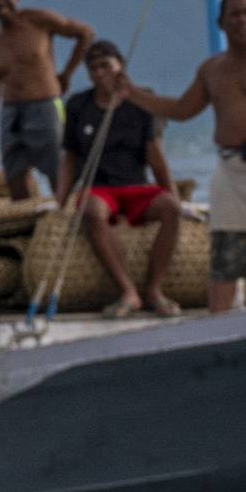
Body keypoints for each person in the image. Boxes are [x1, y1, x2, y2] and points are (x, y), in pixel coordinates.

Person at [124, 0, 246, 311]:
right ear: (221, 23)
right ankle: (218, 333)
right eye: (235, 14)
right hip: (230, 172)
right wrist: (132, 93)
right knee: (224, 263)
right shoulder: (212, 69)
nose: (243, 20)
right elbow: (181, 108)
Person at [53, 41, 186, 317]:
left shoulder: (140, 102)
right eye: (93, 68)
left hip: (136, 186)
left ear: (120, 66)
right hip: (100, 189)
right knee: (91, 211)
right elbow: (70, 158)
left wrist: (173, 195)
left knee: (171, 209)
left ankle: (154, 289)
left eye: (106, 66)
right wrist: (59, 202)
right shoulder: (78, 105)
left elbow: (155, 155)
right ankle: (128, 290)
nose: (100, 73)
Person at [0, 0, 95, 202]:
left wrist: (66, 74)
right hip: (11, 114)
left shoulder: (39, 20)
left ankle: (67, 218)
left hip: (45, 106)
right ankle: (28, 226)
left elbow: (85, 33)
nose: (0, 2)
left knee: (59, 171)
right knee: (15, 178)